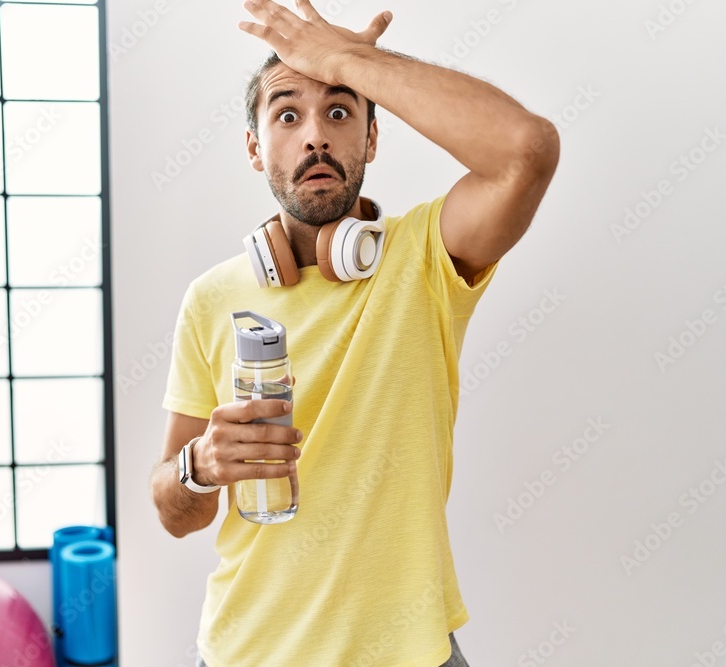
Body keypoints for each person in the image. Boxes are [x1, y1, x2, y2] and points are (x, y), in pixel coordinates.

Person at [149, 1, 559, 665]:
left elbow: (528, 151)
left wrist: (348, 61)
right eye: (288, 113)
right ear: (254, 147)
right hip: (244, 651)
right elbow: (176, 514)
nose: (315, 135)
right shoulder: (211, 299)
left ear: (371, 139)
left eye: (340, 111)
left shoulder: (427, 256)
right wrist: (199, 469)